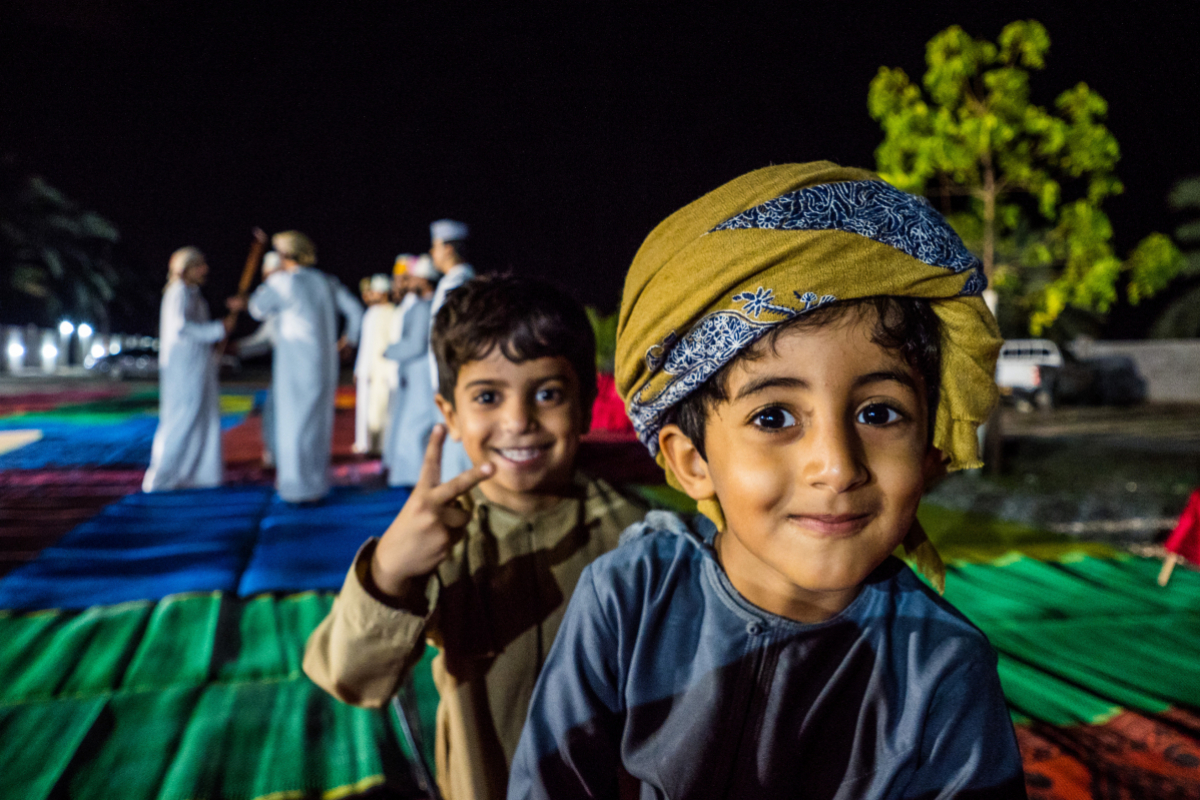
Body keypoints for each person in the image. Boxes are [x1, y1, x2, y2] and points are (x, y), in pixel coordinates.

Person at [509, 163, 1027, 799]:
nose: (836, 467)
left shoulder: (941, 669)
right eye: (774, 417)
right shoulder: (631, 596)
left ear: (930, 454)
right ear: (691, 460)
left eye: (879, 413)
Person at [303, 276, 647, 800]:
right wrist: (391, 571)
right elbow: (350, 677)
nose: (518, 421)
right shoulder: (436, 539)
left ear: (584, 405)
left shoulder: (639, 538)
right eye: (488, 396)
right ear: (450, 415)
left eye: (548, 393)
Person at [245, 231, 363, 503]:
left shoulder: (283, 282)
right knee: (317, 424)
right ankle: (317, 484)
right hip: (323, 366)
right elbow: (355, 311)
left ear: (285, 255)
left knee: (293, 425)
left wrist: (268, 282)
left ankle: (296, 488)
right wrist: (350, 339)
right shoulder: (326, 281)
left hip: (294, 369)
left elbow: (256, 309)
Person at [142, 246, 233, 492]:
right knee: (181, 419)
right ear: (184, 269)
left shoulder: (194, 295)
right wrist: (218, 329)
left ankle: (198, 475)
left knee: (201, 419)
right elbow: (181, 327)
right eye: (199, 265)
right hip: (184, 371)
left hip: (199, 368)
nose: (205, 270)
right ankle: (162, 478)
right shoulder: (177, 292)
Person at [382, 254, 440, 486]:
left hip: (420, 375)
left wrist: (389, 351)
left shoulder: (423, 308)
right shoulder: (421, 305)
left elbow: (415, 344)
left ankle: (415, 482)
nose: (408, 281)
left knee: (413, 430)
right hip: (416, 376)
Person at [427, 219, 477, 482]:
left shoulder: (458, 283)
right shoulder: (452, 281)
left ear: (447, 249)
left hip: (453, 380)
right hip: (448, 379)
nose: (431, 254)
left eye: (434, 247)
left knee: (459, 452)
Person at [235, 250, 282, 467]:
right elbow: (265, 339)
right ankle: (274, 456)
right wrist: (237, 349)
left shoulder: (291, 293)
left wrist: (246, 304)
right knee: (273, 414)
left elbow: (257, 309)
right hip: (284, 370)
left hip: (301, 369)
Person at [353, 274, 396, 455]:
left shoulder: (391, 312)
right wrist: (360, 368)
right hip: (369, 371)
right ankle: (367, 443)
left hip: (382, 371)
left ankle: (378, 446)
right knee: (368, 410)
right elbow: (365, 347)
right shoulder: (373, 313)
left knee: (381, 410)